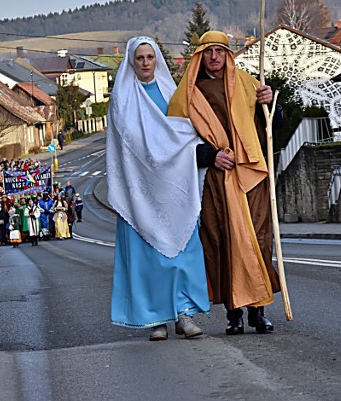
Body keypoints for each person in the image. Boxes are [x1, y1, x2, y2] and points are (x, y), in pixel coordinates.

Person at [168, 31, 282, 335]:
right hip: (214, 180)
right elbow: (174, 144)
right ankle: (233, 314)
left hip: (252, 175)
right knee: (222, 242)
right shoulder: (187, 94)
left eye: (220, 50)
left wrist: (270, 104)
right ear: (200, 56)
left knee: (258, 239)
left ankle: (258, 310)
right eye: (208, 51)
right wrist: (209, 155)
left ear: (227, 54)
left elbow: (272, 127)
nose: (214, 57)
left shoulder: (247, 83)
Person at [107, 36, 210, 341]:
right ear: (131, 61)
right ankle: (156, 319)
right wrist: (157, 157)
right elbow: (129, 144)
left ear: (157, 60)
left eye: (150, 57)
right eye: (139, 58)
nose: (145, 63)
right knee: (149, 258)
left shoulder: (172, 92)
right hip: (141, 190)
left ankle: (183, 313)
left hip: (176, 186)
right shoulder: (122, 99)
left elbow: (187, 132)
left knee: (182, 254)